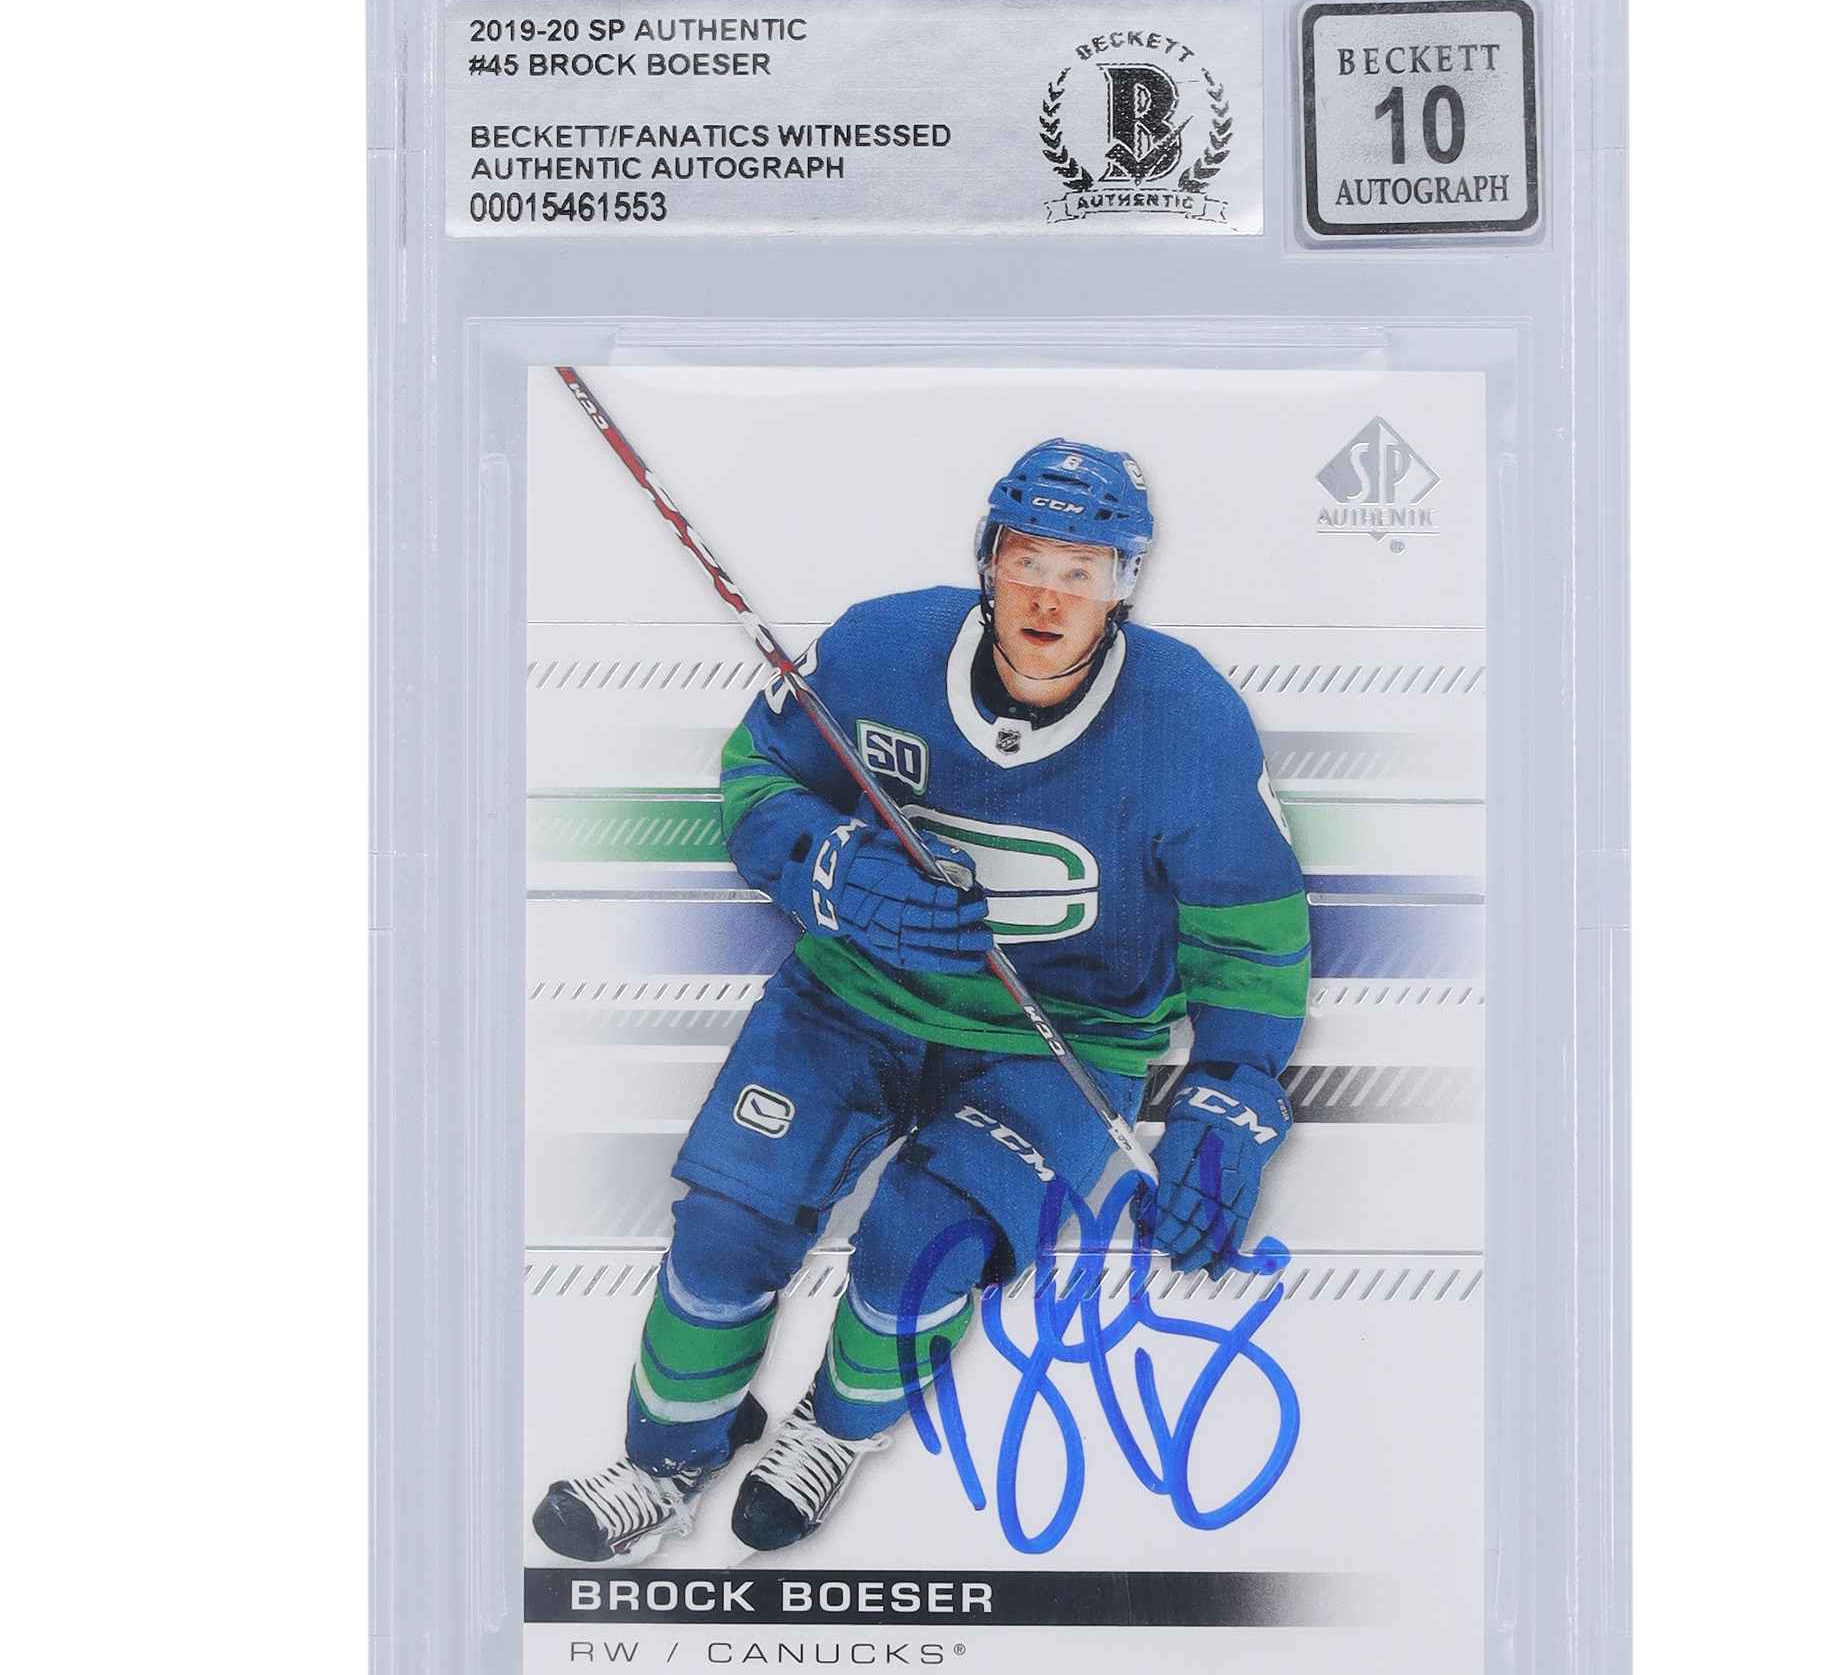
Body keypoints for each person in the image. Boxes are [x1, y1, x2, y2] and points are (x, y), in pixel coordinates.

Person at [533, 438, 1310, 1562]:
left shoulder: (1188, 722)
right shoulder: (878, 649)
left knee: (923, 1243)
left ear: (1124, 586)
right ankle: (665, 1459)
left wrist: (1231, 1088)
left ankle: (834, 1430)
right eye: (1027, 560)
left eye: (1083, 571)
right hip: (851, 995)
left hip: (1068, 1038)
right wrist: (832, 871)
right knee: (726, 1227)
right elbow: (759, 776)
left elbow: (1251, 931)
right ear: (987, 558)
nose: (1049, 596)